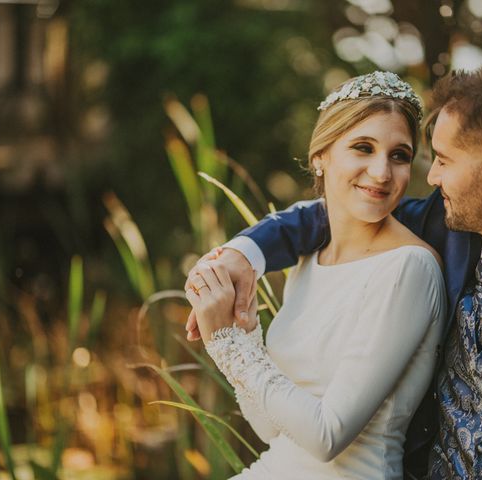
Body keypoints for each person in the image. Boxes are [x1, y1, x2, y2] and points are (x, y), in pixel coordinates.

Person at [188, 65, 482, 479]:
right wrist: (241, 256)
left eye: (443, 160)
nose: (429, 176)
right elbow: (330, 214)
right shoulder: (449, 220)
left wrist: (225, 343)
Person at [184, 71, 447, 479]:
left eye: (399, 156)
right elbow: (270, 429)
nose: (381, 172)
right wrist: (244, 330)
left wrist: (226, 342)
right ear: (320, 156)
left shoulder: (408, 267)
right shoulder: (310, 260)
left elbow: (327, 437)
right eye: (363, 147)